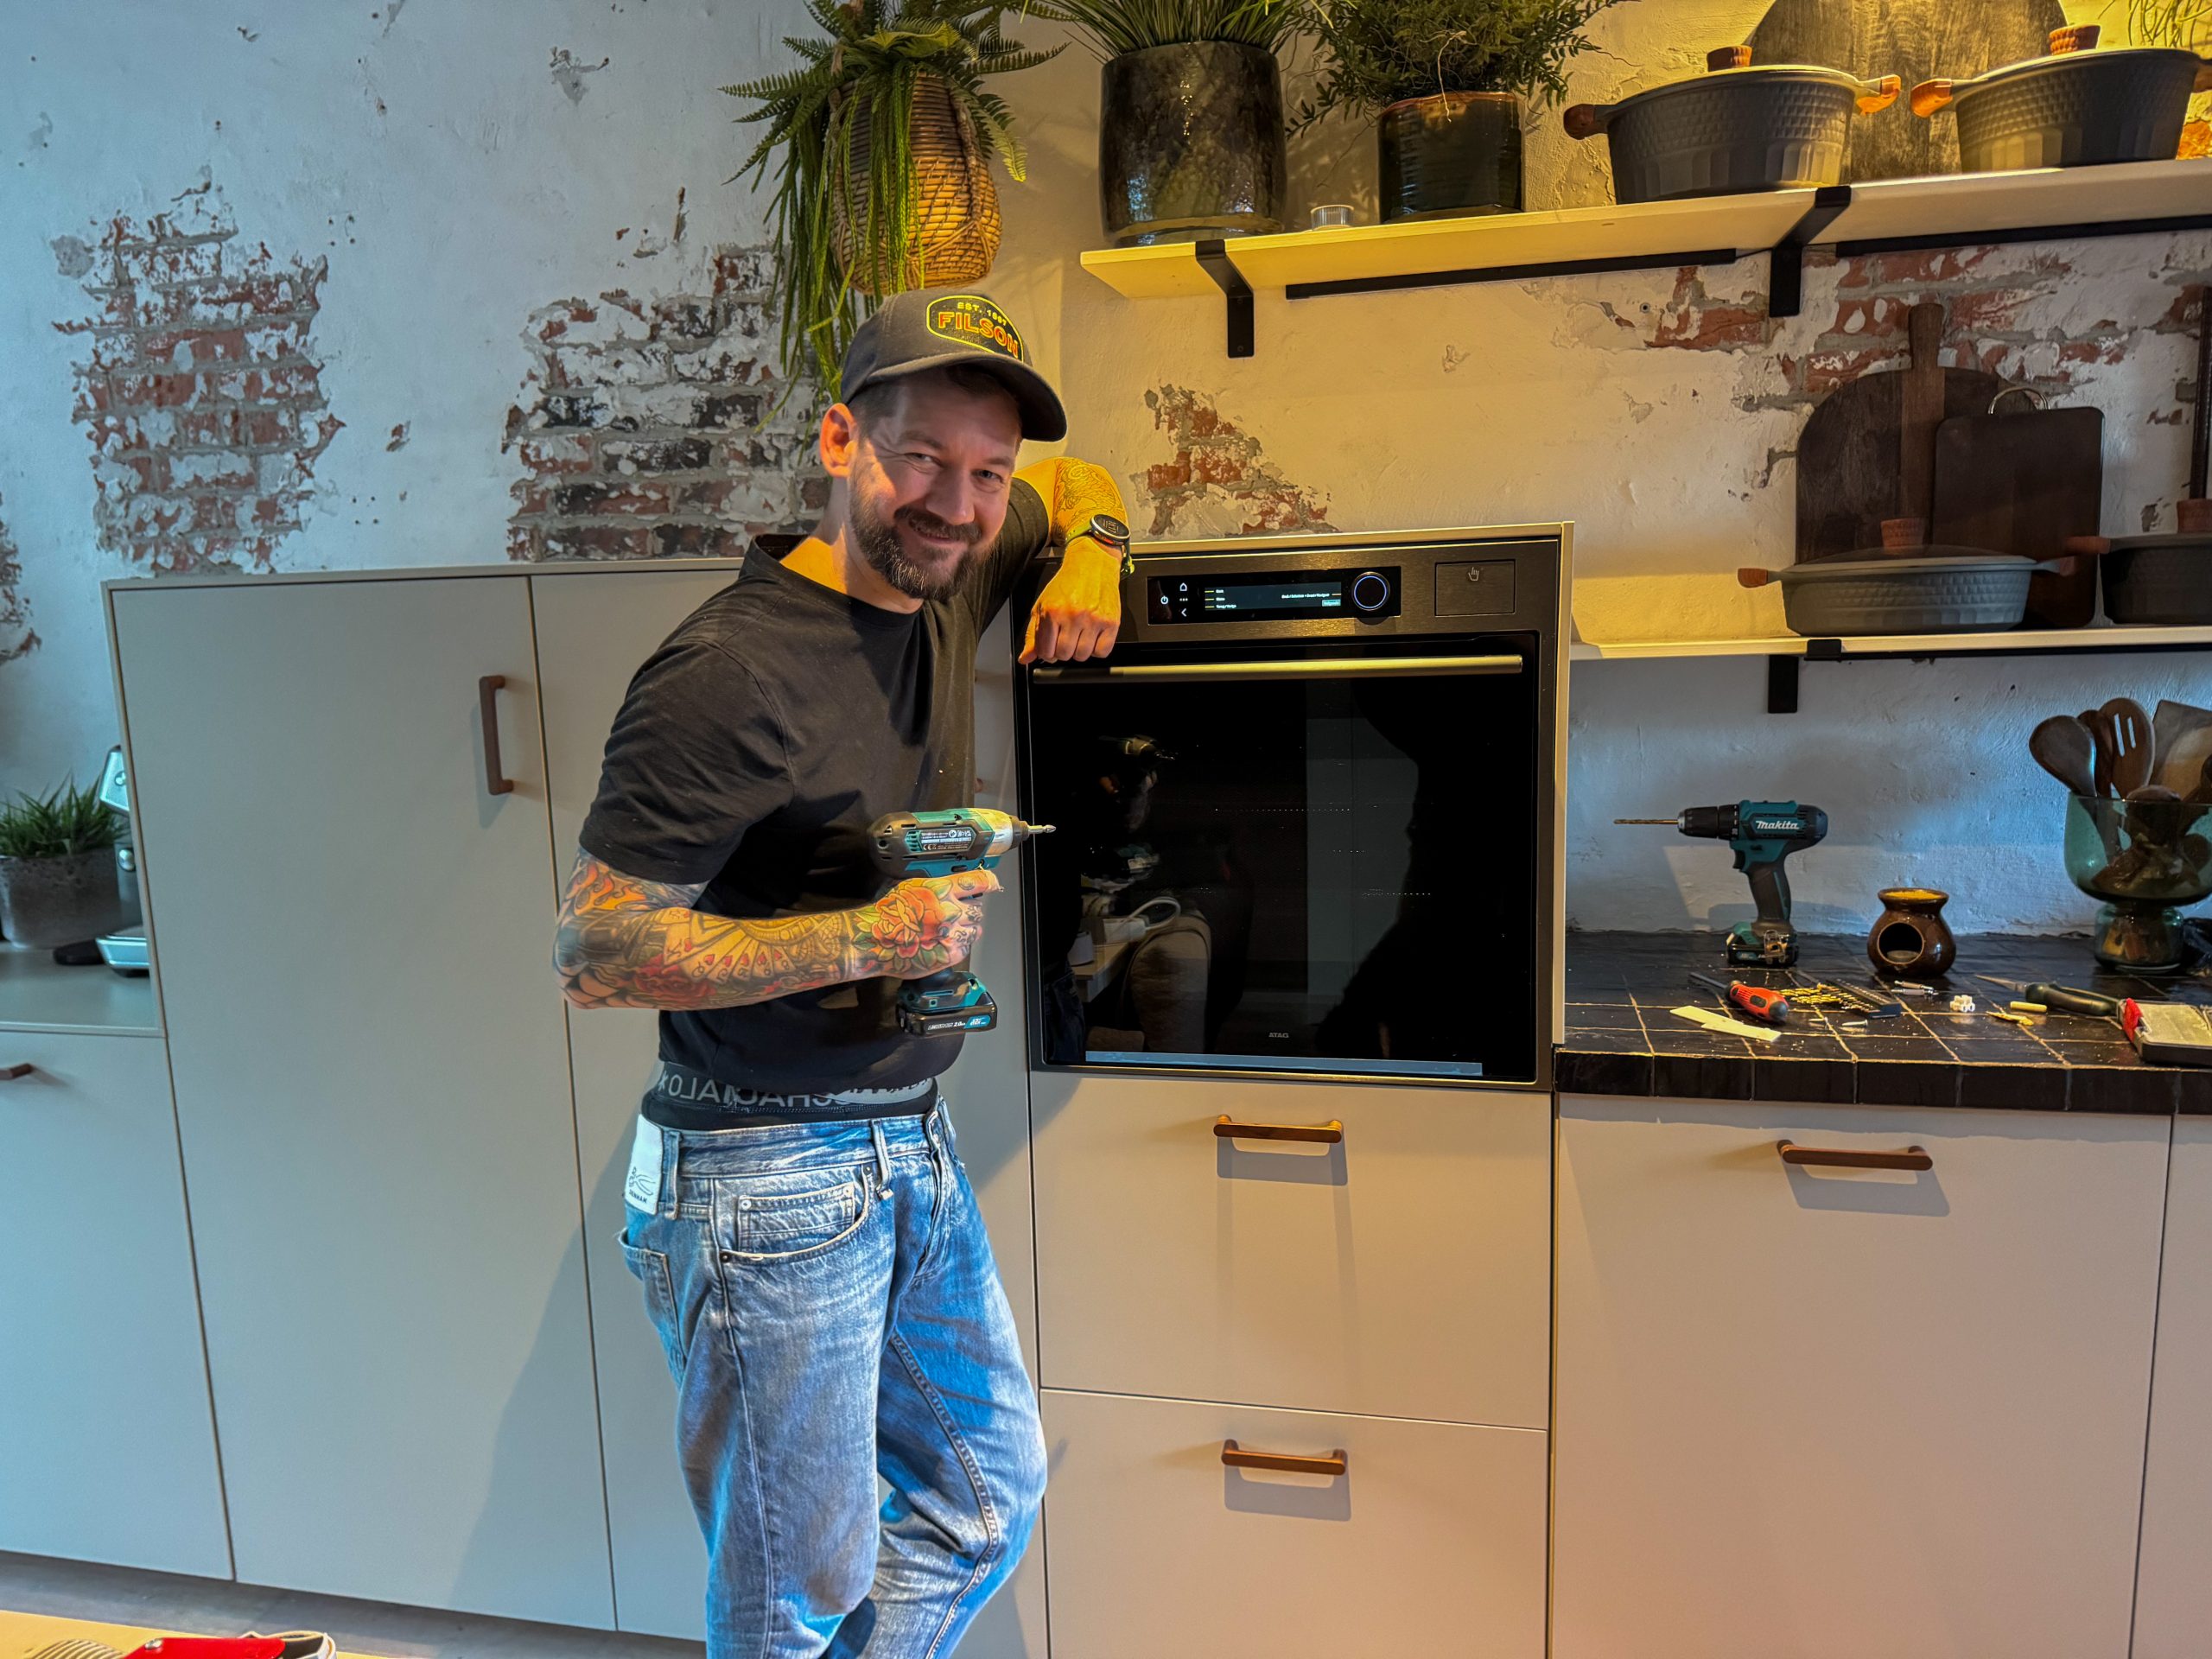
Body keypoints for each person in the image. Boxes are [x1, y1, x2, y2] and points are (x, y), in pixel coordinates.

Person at [550, 289, 1131, 1657]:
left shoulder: (956, 573)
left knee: (985, 1501)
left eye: (987, 474)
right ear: (838, 440)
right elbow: (595, 950)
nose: (957, 501)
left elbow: (1082, 476)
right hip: (760, 1178)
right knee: (793, 1598)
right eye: (921, 457)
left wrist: (1093, 544)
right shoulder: (726, 672)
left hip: (902, 1144)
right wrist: (870, 937)